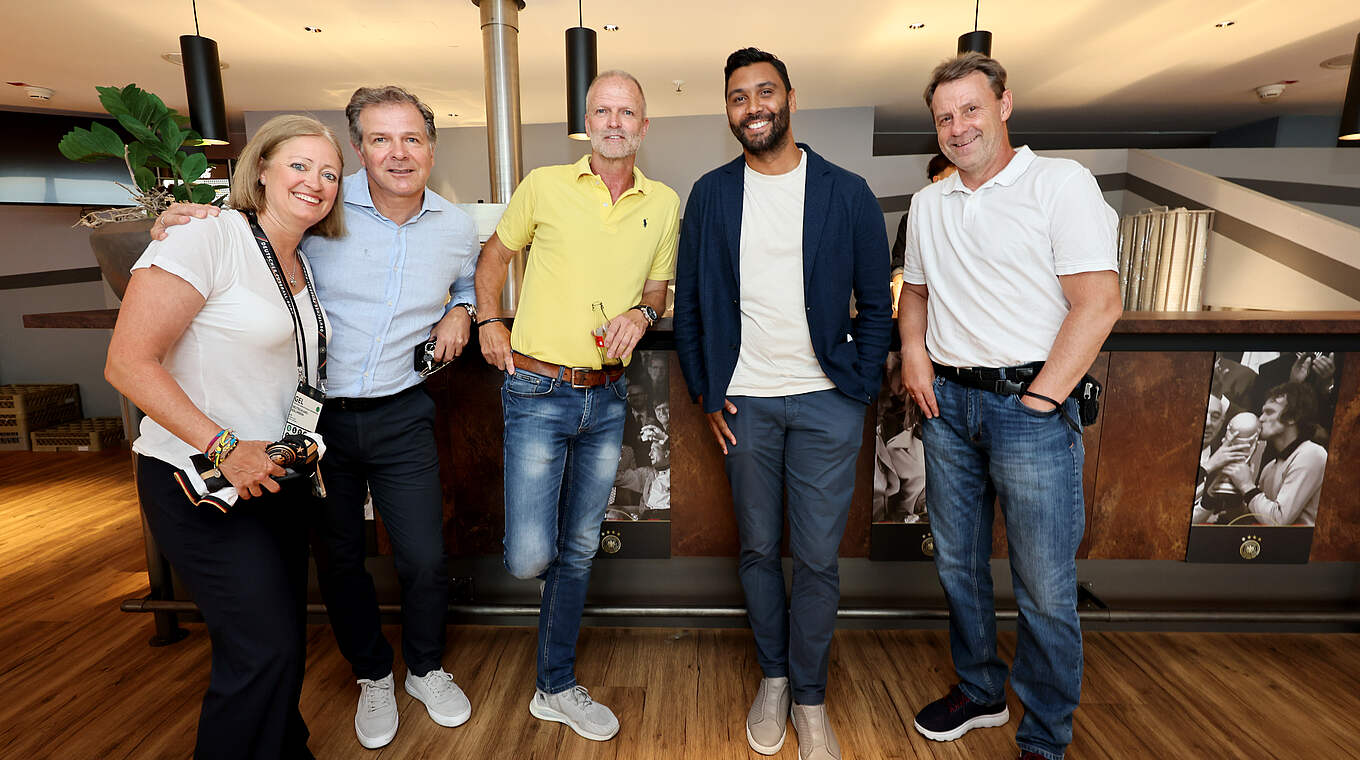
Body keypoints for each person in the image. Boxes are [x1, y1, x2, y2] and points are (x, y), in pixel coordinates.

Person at [151, 85, 480, 751]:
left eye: (412, 138)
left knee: (422, 557)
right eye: (381, 139)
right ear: (360, 149)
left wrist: (463, 309)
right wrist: (191, 215)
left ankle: (424, 666)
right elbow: (248, 231)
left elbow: (470, 279)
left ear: (431, 147)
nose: (398, 152)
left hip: (400, 411)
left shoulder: (454, 225)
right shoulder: (321, 209)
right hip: (313, 424)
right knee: (338, 559)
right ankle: (371, 674)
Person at [898, 53, 1122, 760]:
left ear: (1004, 105)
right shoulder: (930, 202)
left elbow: (1099, 302)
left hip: (1028, 409)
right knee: (957, 568)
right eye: (944, 116)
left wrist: (1039, 400)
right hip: (946, 409)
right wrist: (913, 353)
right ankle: (980, 689)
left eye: (970, 109)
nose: (958, 127)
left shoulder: (1061, 184)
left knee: (1045, 588)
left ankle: (1047, 736)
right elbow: (919, 293)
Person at [672, 48, 892, 760]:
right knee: (760, 550)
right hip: (746, 405)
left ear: (790, 97)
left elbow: (876, 302)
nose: (753, 106)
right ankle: (772, 678)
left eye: (764, 92)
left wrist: (856, 385)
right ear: (729, 111)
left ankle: (810, 698)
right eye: (738, 97)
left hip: (830, 403)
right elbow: (695, 306)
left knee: (820, 560)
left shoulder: (847, 190)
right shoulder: (710, 194)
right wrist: (709, 393)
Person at [106, 114, 346, 759]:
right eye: (298, 165)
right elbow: (128, 364)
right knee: (262, 648)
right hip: (201, 479)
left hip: (273, 476)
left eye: (329, 173)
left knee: (281, 644)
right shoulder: (205, 236)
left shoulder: (299, 260)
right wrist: (223, 446)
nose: (314, 182)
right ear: (259, 169)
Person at [474, 69, 678, 742]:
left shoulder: (664, 202)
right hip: (536, 391)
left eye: (627, 112)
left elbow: (656, 292)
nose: (615, 121)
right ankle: (552, 641)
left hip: (608, 396)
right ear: (587, 121)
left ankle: (553, 686)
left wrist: (642, 317)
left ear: (644, 126)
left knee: (582, 548)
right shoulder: (544, 186)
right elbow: (493, 257)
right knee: (533, 558)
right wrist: (488, 320)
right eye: (603, 110)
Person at [1223, 381, 1328, 526]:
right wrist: (1231, 491)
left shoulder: (1312, 454)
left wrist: (1246, 485)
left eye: (1269, 412)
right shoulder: (1270, 467)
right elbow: (1256, 517)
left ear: (1293, 417)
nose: (1261, 419)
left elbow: (1278, 521)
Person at [890, 153, 956, 315]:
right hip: (924, 306)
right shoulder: (914, 217)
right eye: (954, 176)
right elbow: (900, 266)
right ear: (937, 180)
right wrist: (899, 305)